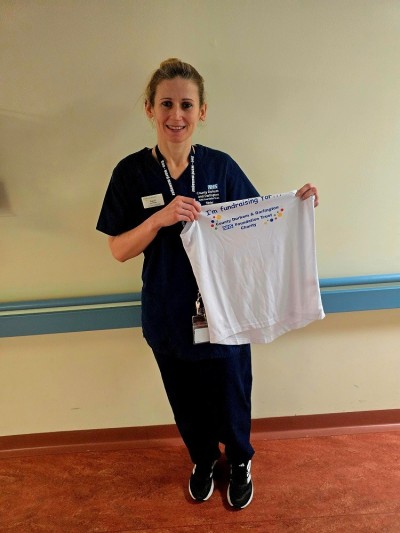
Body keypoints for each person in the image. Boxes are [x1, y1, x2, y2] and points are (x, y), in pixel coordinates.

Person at [96, 58, 319, 509]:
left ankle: (238, 461)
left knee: (232, 390)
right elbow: (118, 249)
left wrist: (298, 206)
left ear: (202, 111)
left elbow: (261, 227)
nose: (175, 115)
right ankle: (201, 459)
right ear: (149, 109)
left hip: (227, 310)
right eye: (166, 104)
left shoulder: (220, 167)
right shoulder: (130, 173)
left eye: (186, 104)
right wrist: (158, 219)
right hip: (167, 310)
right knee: (185, 397)